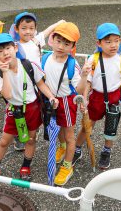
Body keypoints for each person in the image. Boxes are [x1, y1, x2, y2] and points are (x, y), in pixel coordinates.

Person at [0, 33, 58, 182]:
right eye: (0, 51)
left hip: (32, 108)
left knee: (31, 139)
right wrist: (5, 72)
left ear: (15, 47)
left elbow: (40, 83)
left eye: (8, 48)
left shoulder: (29, 65)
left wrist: (51, 97)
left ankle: (26, 166)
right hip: (14, 110)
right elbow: (7, 95)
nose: (5, 52)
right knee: (5, 141)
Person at [72, 23, 121, 170]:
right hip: (96, 98)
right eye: (108, 41)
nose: (113, 45)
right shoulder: (94, 60)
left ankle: (106, 151)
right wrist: (84, 99)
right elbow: (88, 83)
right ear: (99, 43)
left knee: (111, 129)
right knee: (86, 126)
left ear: (120, 41)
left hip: (114, 98)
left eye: (116, 41)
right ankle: (77, 149)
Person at [10, 11, 65, 151]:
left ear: (35, 28)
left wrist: (59, 23)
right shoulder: (14, 46)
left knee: (38, 106)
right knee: (19, 109)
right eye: (23, 28)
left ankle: (34, 128)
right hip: (20, 84)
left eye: (31, 28)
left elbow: (47, 31)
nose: (28, 32)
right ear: (16, 29)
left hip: (38, 81)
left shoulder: (36, 40)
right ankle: (19, 134)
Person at [41, 22, 85, 186]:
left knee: (69, 134)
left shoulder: (73, 65)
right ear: (52, 39)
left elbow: (79, 89)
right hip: (50, 99)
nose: (61, 46)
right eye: (58, 41)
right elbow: (41, 79)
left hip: (66, 101)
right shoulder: (45, 58)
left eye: (67, 43)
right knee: (57, 127)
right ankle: (62, 146)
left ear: (73, 46)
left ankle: (67, 166)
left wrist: (85, 76)